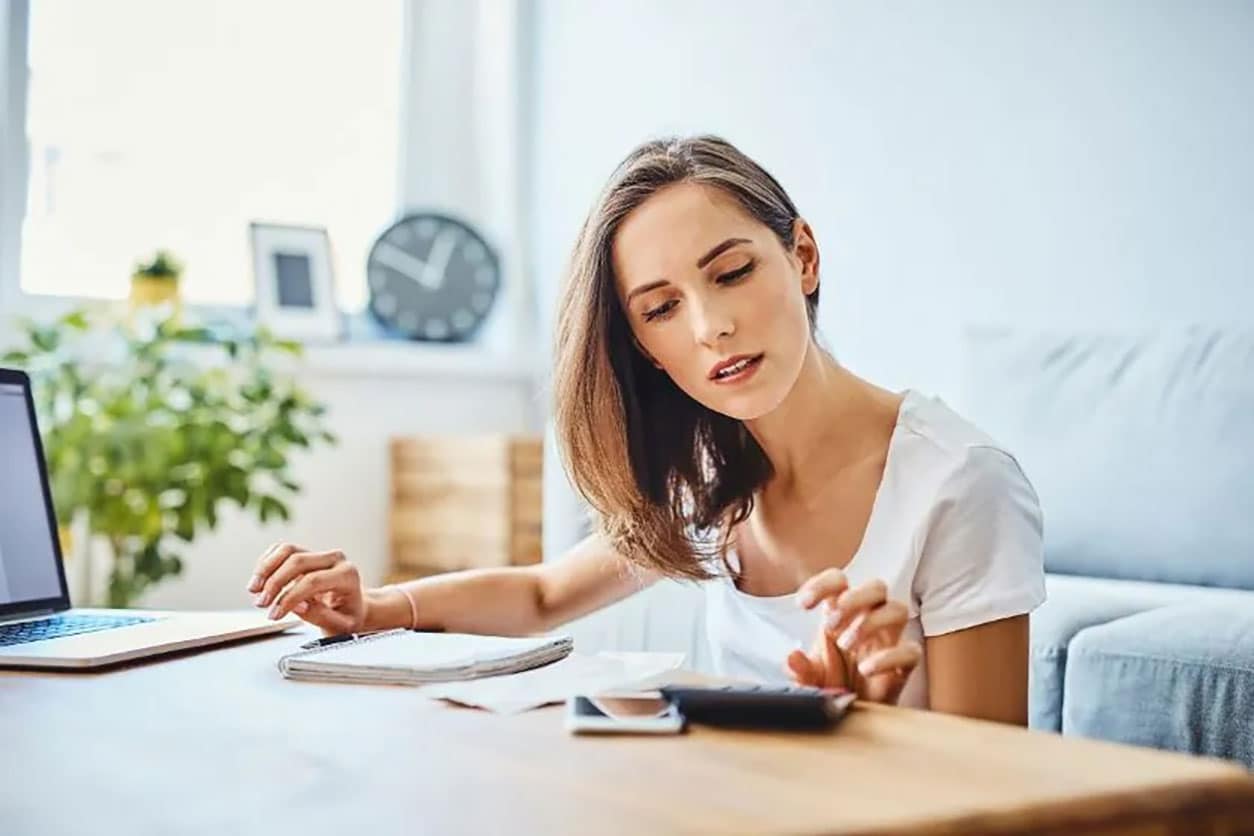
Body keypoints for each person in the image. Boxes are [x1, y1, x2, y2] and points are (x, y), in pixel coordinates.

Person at [246, 136, 1045, 724]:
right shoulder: (712, 471)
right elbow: (542, 593)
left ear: (802, 257)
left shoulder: (958, 481)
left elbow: (1003, 788)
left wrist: (870, 718)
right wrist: (374, 608)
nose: (711, 327)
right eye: (661, 309)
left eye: (732, 273)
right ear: (645, 350)